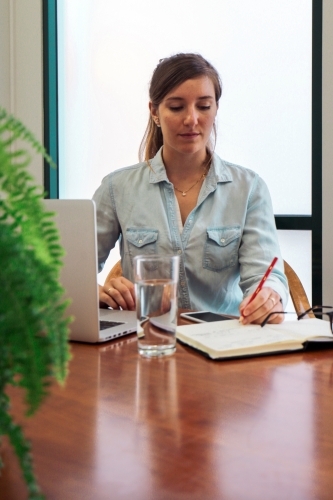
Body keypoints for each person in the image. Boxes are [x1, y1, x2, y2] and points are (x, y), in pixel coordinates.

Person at [93, 53, 288, 325]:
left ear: (215, 109)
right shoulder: (117, 189)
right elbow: (65, 275)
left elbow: (267, 278)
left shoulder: (249, 189)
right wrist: (97, 293)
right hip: (148, 342)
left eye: (204, 106)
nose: (191, 119)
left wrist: (268, 297)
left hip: (224, 344)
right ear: (154, 112)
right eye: (176, 107)